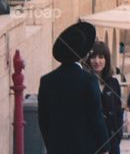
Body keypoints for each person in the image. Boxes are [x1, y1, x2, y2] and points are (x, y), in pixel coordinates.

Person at [38, 21, 110, 153]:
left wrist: (52, 146)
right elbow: (96, 117)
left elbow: (43, 120)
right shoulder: (89, 80)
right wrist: (104, 147)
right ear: (84, 55)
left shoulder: (46, 81)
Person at [87, 40, 123, 154]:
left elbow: (118, 111)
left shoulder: (113, 83)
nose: (97, 61)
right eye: (93, 57)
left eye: (101, 57)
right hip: (92, 143)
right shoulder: (84, 83)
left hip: (112, 142)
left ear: (106, 60)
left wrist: (118, 135)